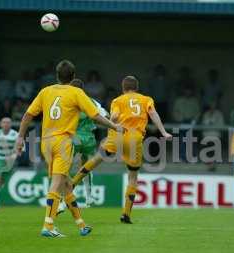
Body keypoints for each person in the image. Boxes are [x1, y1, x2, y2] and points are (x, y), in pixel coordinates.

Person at [15, 60, 121, 238]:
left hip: (46, 142)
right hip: (63, 142)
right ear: (73, 76)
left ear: (57, 76)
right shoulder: (76, 92)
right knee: (57, 184)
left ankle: (81, 225)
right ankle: (48, 226)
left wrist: (20, 137)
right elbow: (95, 115)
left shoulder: (46, 91)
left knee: (66, 185)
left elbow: (28, 115)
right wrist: (114, 126)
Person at [71, 76, 172, 224]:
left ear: (123, 88)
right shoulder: (146, 99)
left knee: (97, 159)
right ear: (136, 87)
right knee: (132, 176)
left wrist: (113, 121)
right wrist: (163, 132)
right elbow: (153, 114)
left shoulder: (117, 101)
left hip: (117, 136)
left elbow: (115, 116)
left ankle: (72, 183)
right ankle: (126, 214)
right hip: (134, 139)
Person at [57, 78, 109, 214]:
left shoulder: (67, 100)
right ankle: (89, 197)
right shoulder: (91, 101)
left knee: (64, 168)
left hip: (73, 138)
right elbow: (105, 115)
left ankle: (62, 202)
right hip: (89, 139)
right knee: (85, 167)